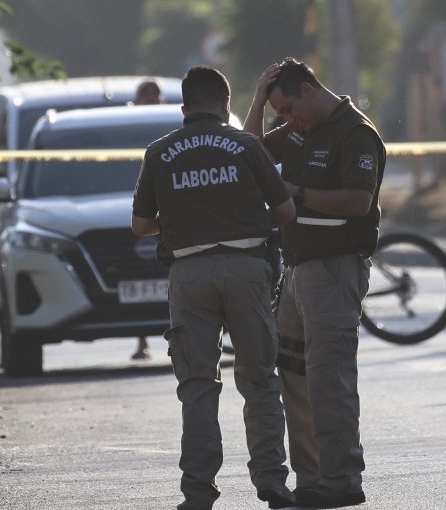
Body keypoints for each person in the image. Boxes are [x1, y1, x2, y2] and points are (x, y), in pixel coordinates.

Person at [132, 65, 297, 510]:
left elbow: (142, 224)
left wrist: (188, 218)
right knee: (260, 380)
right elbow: (284, 212)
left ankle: (198, 491)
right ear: (226, 105)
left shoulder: (159, 152)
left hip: (189, 276)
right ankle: (272, 483)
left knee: (198, 386)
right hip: (247, 271)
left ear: (184, 108)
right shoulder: (244, 145)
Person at [244, 57, 385, 509]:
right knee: (297, 381)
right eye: (280, 114)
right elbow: (252, 154)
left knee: (330, 380)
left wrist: (295, 193)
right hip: (298, 271)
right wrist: (258, 101)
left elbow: (359, 201)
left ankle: (342, 480)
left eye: (287, 110)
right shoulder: (301, 130)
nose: (287, 120)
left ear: (309, 90)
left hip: (335, 267)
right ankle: (313, 481)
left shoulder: (355, 133)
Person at [130, 79, 166, 361]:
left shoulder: (170, 128)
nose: (151, 100)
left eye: (155, 96)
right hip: (141, 208)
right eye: (145, 96)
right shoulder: (129, 131)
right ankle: (141, 340)